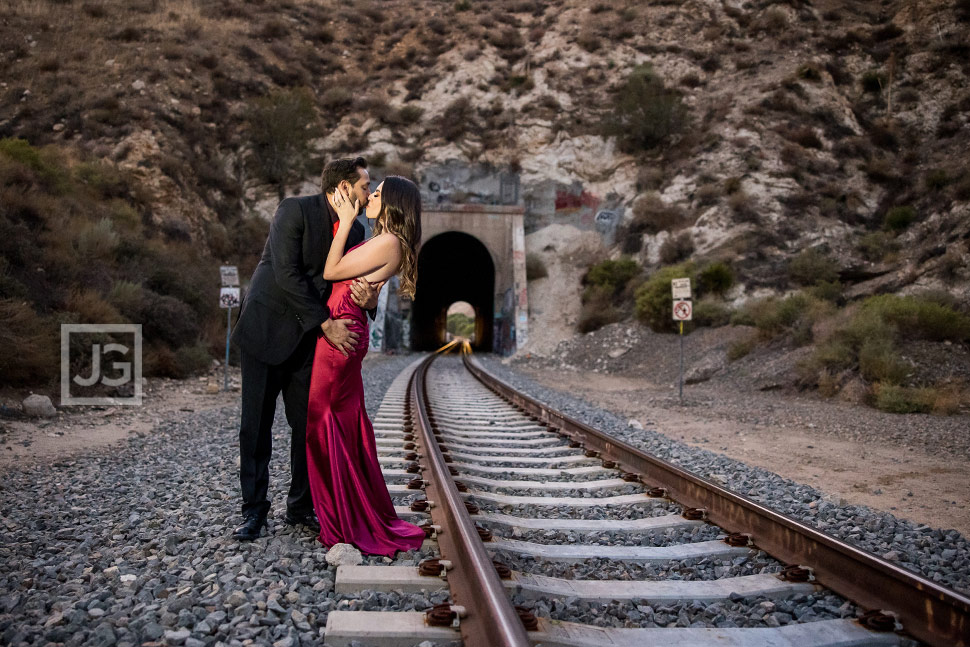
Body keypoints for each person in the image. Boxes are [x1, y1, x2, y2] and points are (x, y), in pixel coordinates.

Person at [230, 157, 381, 541]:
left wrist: (368, 300)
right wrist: (326, 323)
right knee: (256, 427)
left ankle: (300, 508)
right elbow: (287, 273)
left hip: (309, 344)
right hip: (267, 332)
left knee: (308, 428)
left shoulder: (357, 231)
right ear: (344, 188)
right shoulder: (293, 210)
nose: (368, 194)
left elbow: (356, 282)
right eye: (364, 186)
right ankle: (253, 512)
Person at [305, 175, 426, 556]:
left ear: (392, 201)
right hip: (346, 325)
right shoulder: (384, 240)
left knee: (321, 419)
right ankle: (348, 509)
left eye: (376, 193)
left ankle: (343, 515)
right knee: (343, 420)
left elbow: (332, 271)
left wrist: (343, 219)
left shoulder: (389, 241)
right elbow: (360, 286)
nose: (369, 196)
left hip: (341, 333)